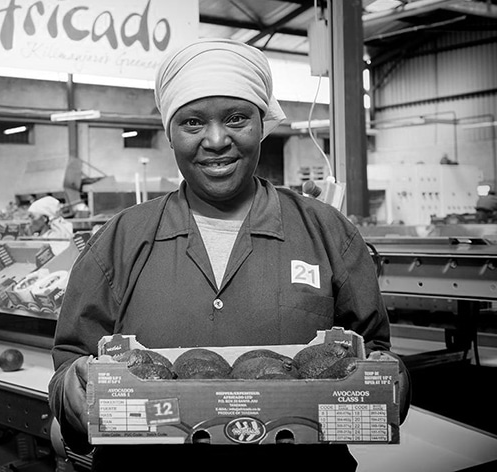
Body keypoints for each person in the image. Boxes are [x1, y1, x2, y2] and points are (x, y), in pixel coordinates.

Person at [48, 38, 411, 471]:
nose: (216, 140)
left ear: (261, 124)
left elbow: (372, 352)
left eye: (237, 118)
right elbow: (71, 360)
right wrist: (73, 390)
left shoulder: (327, 232)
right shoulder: (122, 239)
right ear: (170, 133)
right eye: (193, 123)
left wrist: (392, 382)